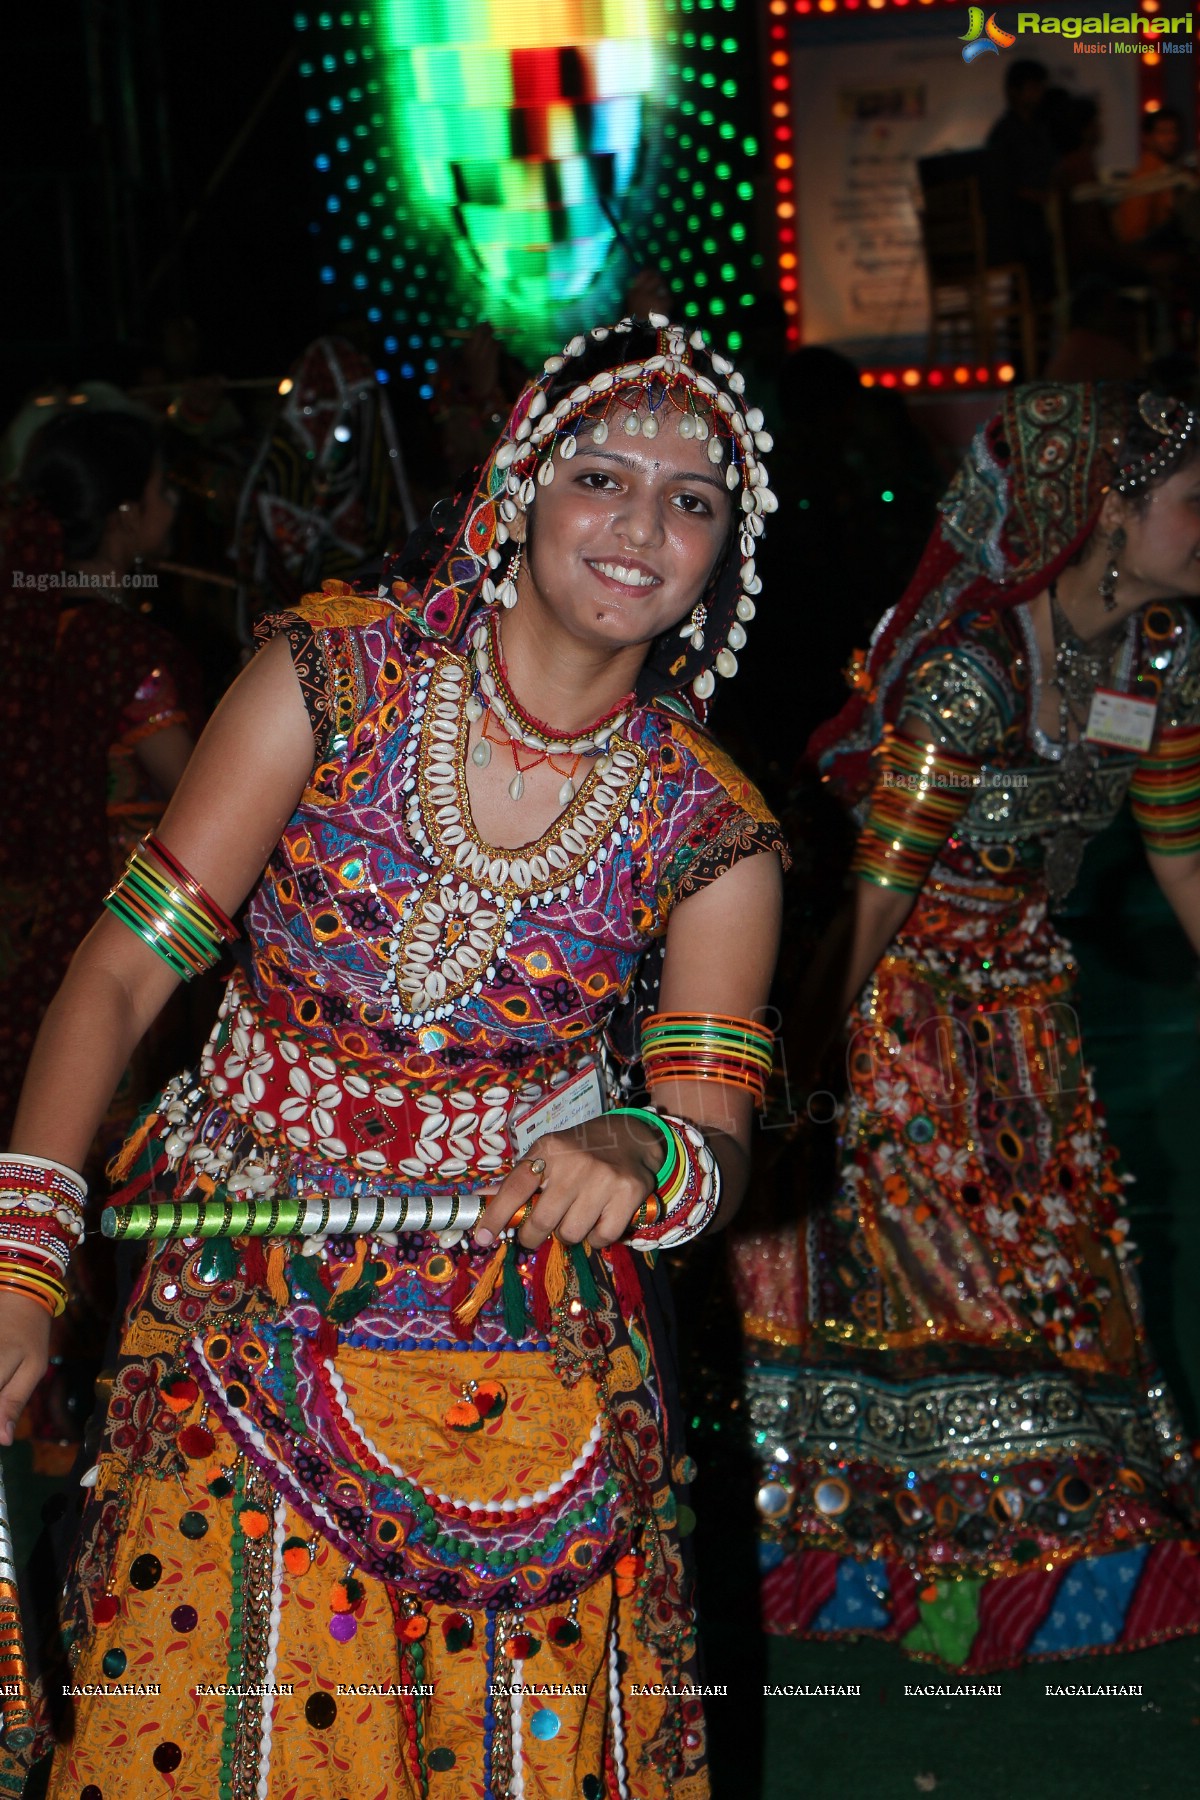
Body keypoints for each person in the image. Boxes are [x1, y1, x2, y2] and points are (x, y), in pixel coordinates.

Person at [1, 317, 785, 1799]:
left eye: (694, 501)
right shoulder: (336, 681)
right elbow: (117, 975)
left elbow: (716, 1148)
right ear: (516, 491)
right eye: (603, 475)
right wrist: (22, 1268)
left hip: (523, 1333)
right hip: (245, 1288)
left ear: (721, 558)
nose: (642, 527)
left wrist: (645, 1151)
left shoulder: (711, 830)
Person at [734, 381, 1200, 1671]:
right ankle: (948, 1564)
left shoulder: (1163, 656)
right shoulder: (971, 675)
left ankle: (1051, 1542)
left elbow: (1187, 862)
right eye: (1191, 502)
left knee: (1067, 1273)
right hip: (904, 1022)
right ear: (1105, 512)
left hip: (1026, 1013)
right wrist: (800, 1071)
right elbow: (877, 899)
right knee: (963, 1292)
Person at [0, 409, 200, 1462]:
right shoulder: (130, 651)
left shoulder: (20, 625)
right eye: (166, 490)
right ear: (127, 514)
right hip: (113, 956)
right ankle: (100, 1406)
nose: (175, 509)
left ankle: (39, 1407)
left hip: (17, 937)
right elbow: (209, 811)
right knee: (113, 1168)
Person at [982, 60, 1057, 298]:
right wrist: (1038, 197)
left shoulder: (1043, 128)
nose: (1039, 94)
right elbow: (1001, 185)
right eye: (1033, 87)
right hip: (1019, 225)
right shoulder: (1004, 133)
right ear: (1014, 91)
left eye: (1041, 87)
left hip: (1044, 217)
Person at [1115, 108, 1197, 251]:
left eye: (1175, 131)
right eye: (1163, 132)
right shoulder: (1146, 177)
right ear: (1147, 138)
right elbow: (1134, 235)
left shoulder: (1174, 173)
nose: (1172, 138)